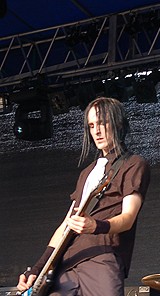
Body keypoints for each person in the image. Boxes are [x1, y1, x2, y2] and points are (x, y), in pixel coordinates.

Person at [17, 97, 151, 296]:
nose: (96, 131)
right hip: (67, 261)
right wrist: (37, 268)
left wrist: (96, 226)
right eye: (91, 125)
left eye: (102, 123)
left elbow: (128, 218)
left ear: (118, 123)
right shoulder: (86, 173)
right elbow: (65, 225)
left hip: (102, 255)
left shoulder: (133, 164)